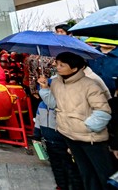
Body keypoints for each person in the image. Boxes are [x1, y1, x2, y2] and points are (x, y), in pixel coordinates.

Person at [39, 52, 113, 190]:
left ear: (74, 68)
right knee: (85, 172)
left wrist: (86, 127)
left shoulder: (90, 85)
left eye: (62, 65)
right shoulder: (56, 82)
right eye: (57, 63)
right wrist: (44, 88)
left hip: (91, 139)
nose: (57, 67)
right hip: (69, 136)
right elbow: (54, 104)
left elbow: (103, 111)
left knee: (104, 175)